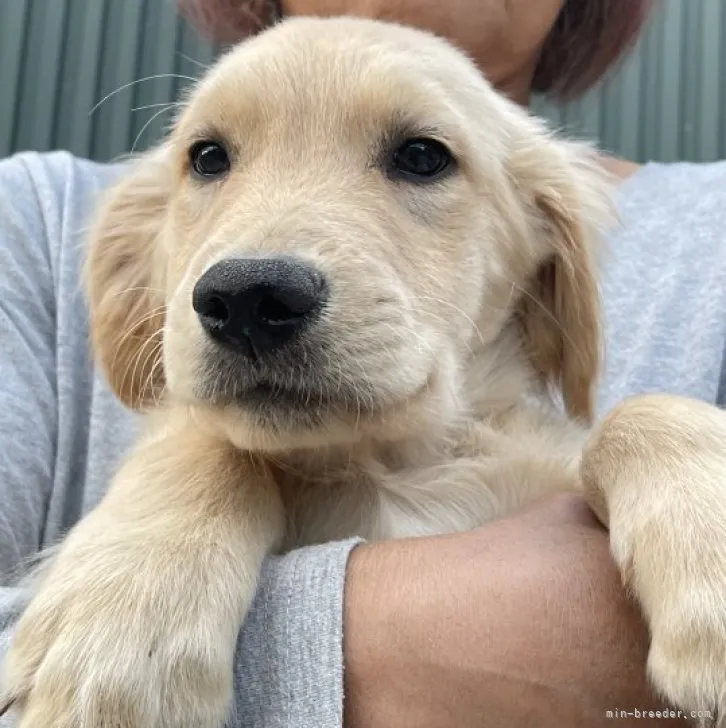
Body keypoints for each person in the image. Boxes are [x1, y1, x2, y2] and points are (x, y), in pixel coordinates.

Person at [1, 0, 725, 725]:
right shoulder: (31, 218)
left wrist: (664, 446)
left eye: (420, 157)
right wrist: (185, 483)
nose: (253, 271)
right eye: (211, 159)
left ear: (544, 251)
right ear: (138, 279)